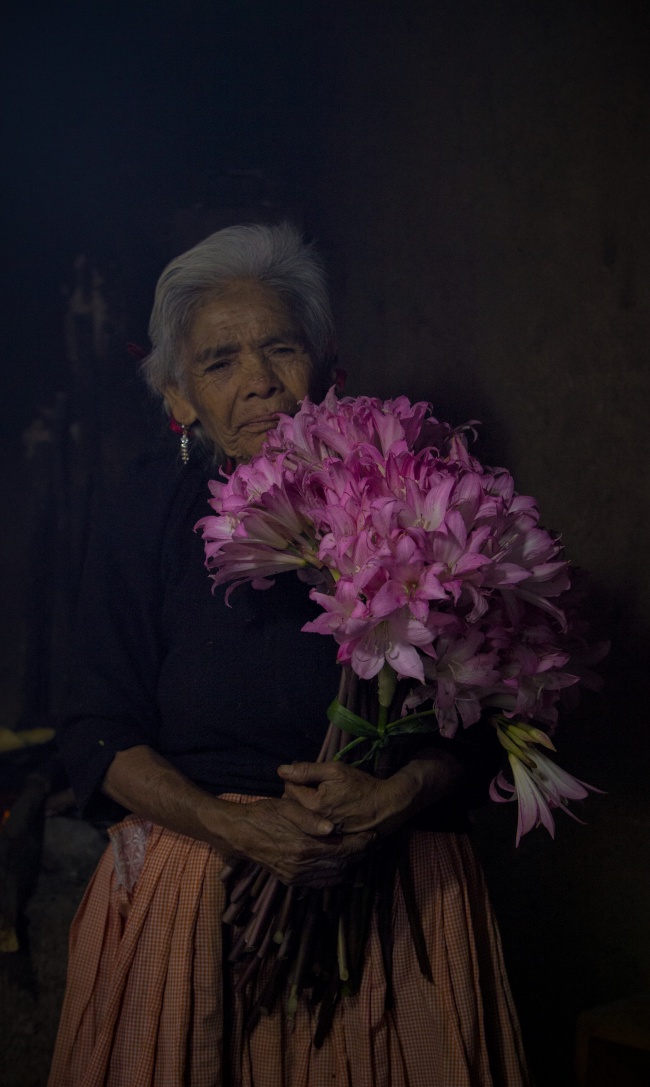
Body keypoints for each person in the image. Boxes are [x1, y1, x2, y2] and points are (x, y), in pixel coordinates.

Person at [49, 222, 530, 1087]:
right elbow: (95, 730)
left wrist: (392, 797)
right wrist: (234, 823)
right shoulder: (141, 515)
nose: (260, 383)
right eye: (220, 361)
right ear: (180, 398)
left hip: (397, 884)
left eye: (280, 347)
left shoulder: (411, 492)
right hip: (206, 885)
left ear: (328, 362)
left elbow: (482, 712)